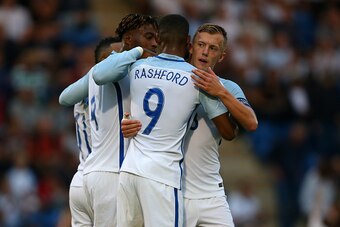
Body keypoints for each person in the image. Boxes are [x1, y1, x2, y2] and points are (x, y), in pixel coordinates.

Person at [121, 23, 258, 227]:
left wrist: (220, 92)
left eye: (213, 48)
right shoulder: (166, 78)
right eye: (201, 44)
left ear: (221, 56)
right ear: (191, 47)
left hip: (211, 192)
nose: (205, 51)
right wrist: (125, 123)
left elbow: (251, 122)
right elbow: (137, 110)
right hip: (174, 189)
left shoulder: (228, 87)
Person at [59, 13, 158, 227]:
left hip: (84, 175)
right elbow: (104, 74)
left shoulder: (95, 73)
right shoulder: (111, 70)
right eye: (149, 37)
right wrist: (138, 51)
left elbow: (65, 97)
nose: (155, 43)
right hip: (111, 175)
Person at [68, 36, 119, 227]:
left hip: (81, 179)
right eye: (116, 55)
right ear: (104, 59)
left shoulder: (82, 87)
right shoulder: (113, 91)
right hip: (105, 179)